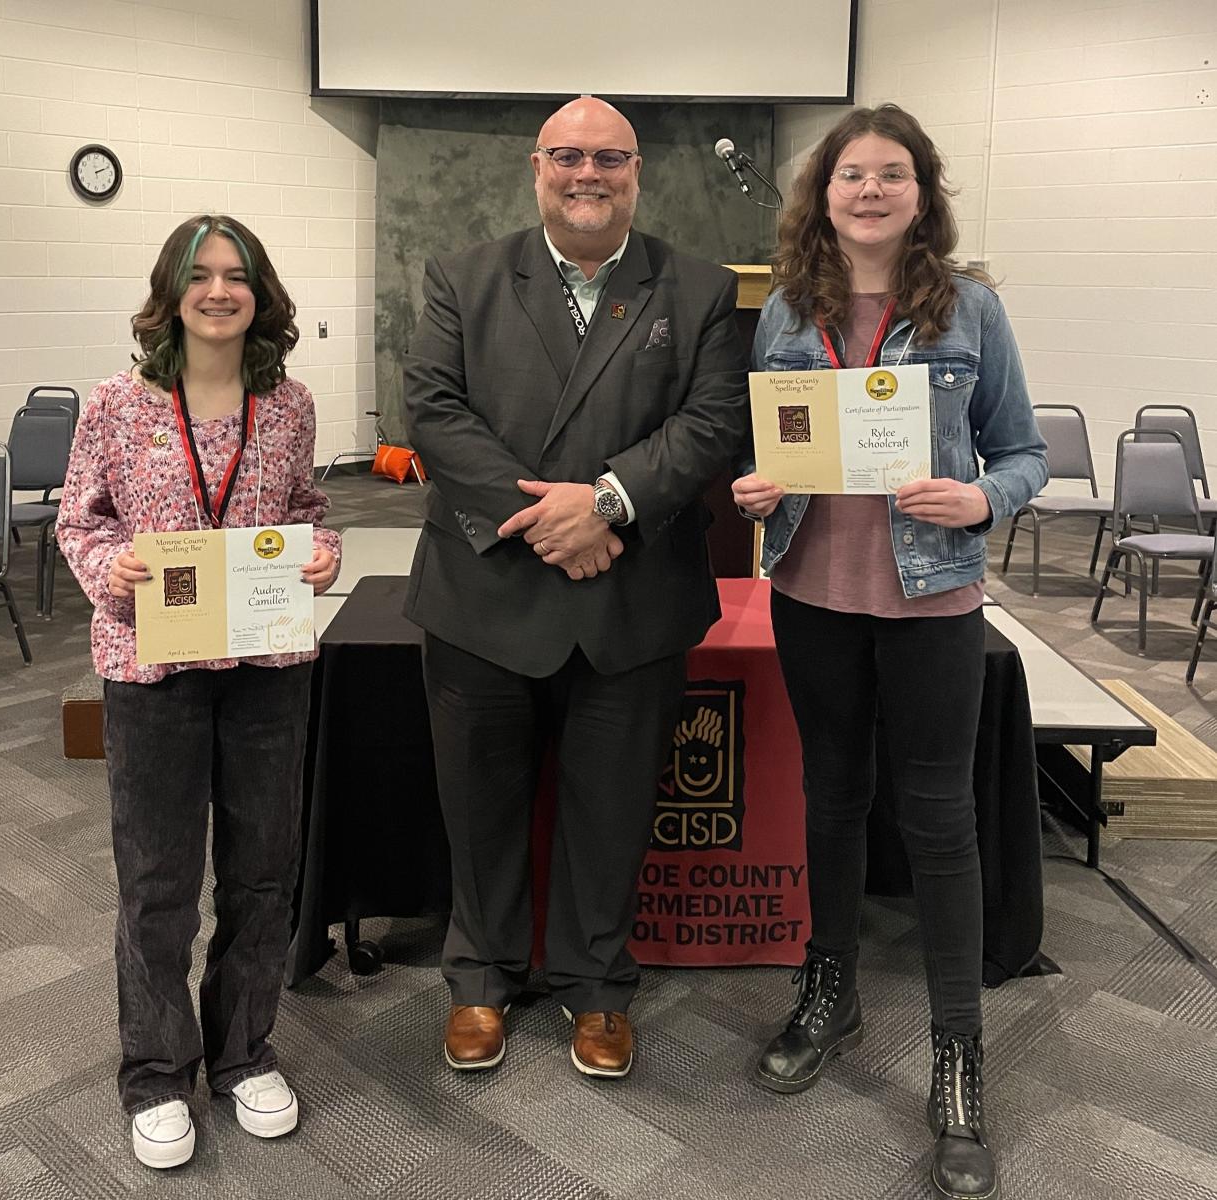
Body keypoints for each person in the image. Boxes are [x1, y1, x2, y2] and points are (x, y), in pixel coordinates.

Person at [732, 105, 1045, 1200]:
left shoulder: (970, 310)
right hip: (813, 591)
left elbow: (1025, 451)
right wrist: (757, 486)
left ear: (923, 193)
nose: (869, 190)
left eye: (891, 174)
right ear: (824, 195)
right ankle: (832, 990)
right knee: (830, 799)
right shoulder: (786, 309)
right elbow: (764, 443)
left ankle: (957, 1053)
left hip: (933, 601)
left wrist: (982, 495)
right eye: (851, 174)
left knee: (940, 821)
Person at [403, 96, 747, 1079]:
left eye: (608, 157)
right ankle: (480, 978)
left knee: (613, 808)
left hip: (630, 596)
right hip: (488, 589)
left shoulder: (700, 288)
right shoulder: (462, 277)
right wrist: (553, 523)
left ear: (638, 171)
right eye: (568, 156)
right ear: (536, 165)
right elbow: (432, 409)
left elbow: (712, 423)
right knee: (479, 805)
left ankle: (597, 988)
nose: (586, 173)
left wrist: (606, 503)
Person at [56, 214, 340, 1169]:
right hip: (153, 670)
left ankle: (243, 1052)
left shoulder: (290, 403)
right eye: (201, 275)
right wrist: (113, 567)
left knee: (264, 873)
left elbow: (305, 509)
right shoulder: (117, 403)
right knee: (158, 884)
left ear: (260, 293)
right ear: (170, 291)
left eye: (238, 275)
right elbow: (77, 521)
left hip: (266, 670)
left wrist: (320, 553)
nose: (220, 291)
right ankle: (157, 1071)